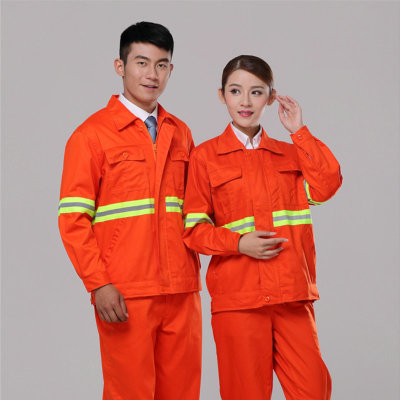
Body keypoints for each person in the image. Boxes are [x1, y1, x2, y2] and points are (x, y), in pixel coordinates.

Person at [182, 55, 342, 400]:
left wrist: (299, 132)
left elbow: (327, 184)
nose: (245, 101)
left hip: (291, 295)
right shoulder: (205, 157)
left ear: (271, 97)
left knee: (313, 390)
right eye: (235, 91)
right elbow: (193, 229)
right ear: (222, 95)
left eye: (256, 92)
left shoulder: (290, 154)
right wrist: (239, 243)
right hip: (238, 300)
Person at [58, 22, 201, 400]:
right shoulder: (91, 135)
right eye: (142, 63)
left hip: (182, 290)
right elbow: (72, 220)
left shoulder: (181, 132)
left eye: (162, 65)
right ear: (120, 67)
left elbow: (198, 208)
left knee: (183, 393)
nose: (152, 74)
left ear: (170, 70)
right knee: (130, 393)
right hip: (125, 291)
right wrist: (98, 283)